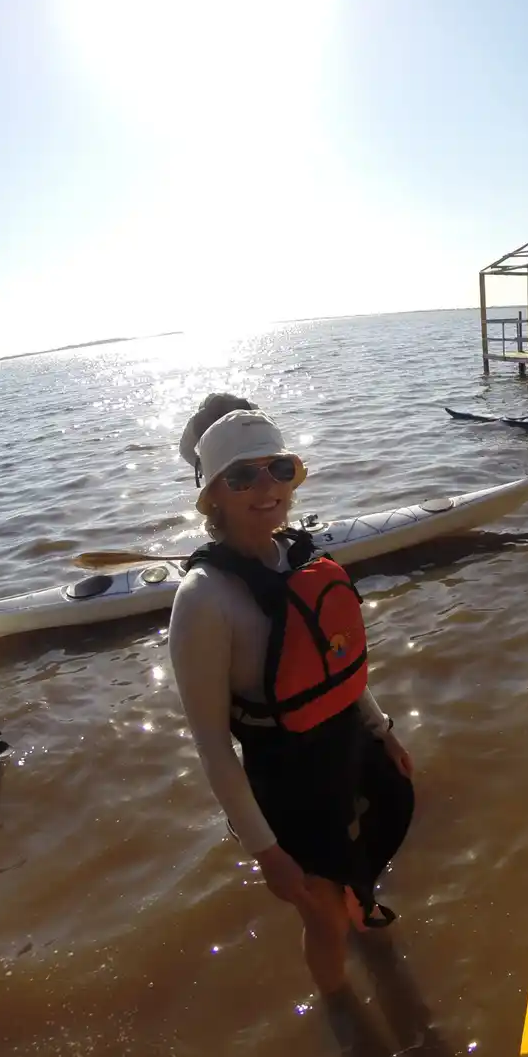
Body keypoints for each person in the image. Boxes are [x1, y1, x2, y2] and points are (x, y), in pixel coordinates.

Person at [169, 405, 415, 999]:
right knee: (322, 917)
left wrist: (381, 729)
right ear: (213, 496)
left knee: (377, 837)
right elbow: (211, 745)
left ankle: (361, 907)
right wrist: (265, 850)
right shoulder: (203, 600)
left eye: (278, 469)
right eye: (242, 477)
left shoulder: (300, 559)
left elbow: (331, 661)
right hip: (285, 778)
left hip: (345, 745)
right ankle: (342, 1011)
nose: (267, 489)